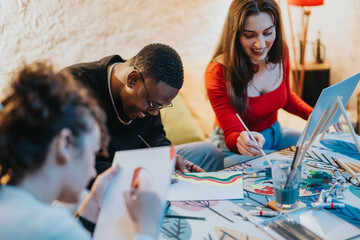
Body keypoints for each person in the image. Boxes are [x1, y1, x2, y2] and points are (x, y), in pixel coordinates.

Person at [0, 62, 162, 239]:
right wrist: (147, 226)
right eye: (93, 153)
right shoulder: (54, 226)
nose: (93, 170)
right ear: (64, 143)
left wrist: (93, 201)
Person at [205, 0, 341, 165]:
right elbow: (233, 133)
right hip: (235, 148)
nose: (260, 44)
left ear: (276, 28)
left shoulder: (281, 51)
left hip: (276, 133)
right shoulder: (218, 72)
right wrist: (242, 140)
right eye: (249, 35)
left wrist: (314, 114)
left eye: (268, 32)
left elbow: (286, 97)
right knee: (283, 167)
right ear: (235, 34)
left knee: (320, 155)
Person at [63, 43, 224, 175]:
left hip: (141, 165)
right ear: (132, 79)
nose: (154, 112)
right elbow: (70, 161)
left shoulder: (149, 88)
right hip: (93, 173)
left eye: (161, 107)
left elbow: (155, 135)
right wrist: (135, 172)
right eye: (153, 104)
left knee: (209, 153)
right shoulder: (74, 86)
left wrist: (168, 158)